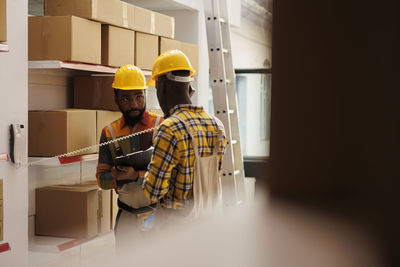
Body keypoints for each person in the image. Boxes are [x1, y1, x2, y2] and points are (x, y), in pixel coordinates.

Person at [130, 50, 228, 224]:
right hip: (208, 224)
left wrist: (137, 173)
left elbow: (154, 191)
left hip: (176, 228)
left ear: (161, 86)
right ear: (189, 87)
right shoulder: (217, 126)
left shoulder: (169, 129)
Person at [96, 64, 162, 249]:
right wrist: (115, 178)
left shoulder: (162, 125)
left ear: (145, 93)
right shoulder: (109, 132)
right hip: (126, 217)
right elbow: (101, 181)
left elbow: (170, 176)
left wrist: (136, 176)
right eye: (126, 98)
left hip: (158, 215)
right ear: (115, 98)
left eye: (139, 97)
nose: (134, 104)